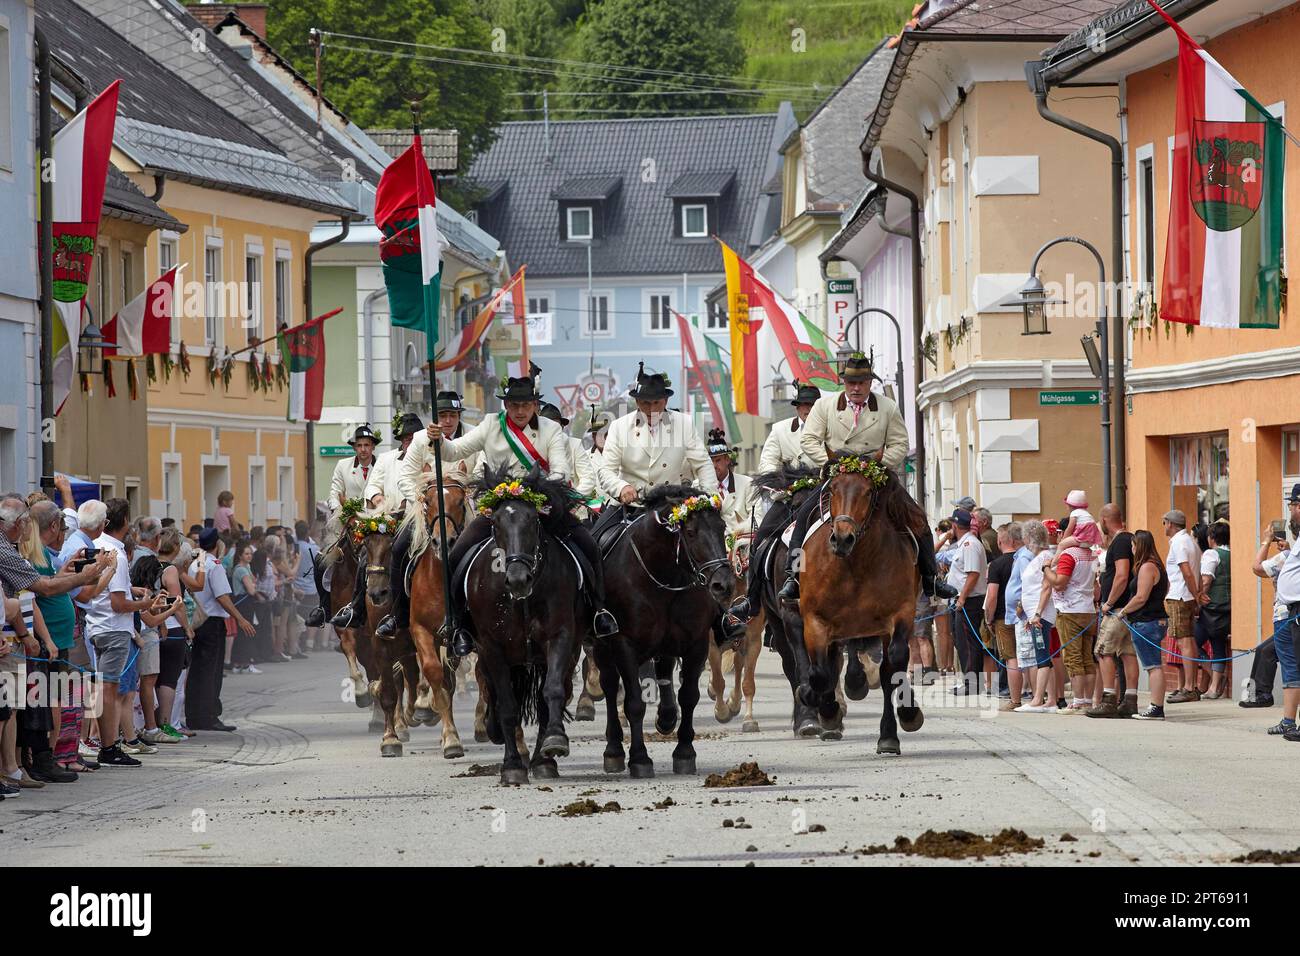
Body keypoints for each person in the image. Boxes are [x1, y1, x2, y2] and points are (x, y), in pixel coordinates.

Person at [379, 374, 617, 656]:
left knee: (588, 546)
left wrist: (538, 492)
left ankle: (598, 612)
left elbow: (561, 470)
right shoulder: (492, 424)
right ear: (506, 405)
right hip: (499, 509)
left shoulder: (551, 429)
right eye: (514, 405)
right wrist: (438, 442)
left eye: (525, 405)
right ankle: (460, 624)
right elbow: (456, 451)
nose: (519, 411)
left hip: (539, 504)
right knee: (455, 556)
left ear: (534, 406)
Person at [776, 354, 955, 605]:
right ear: (844, 384)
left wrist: (877, 465)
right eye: (851, 383)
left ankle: (930, 577)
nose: (856, 388)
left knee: (917, 517)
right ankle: (792, 575)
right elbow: (809, 440)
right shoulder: (825, 407)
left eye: (861, 382)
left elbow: (900, 444)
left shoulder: (887, 407)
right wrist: (832, 463)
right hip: (838, 478)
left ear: (870, 383)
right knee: (803, 518)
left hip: (877, 479)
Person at [366, 391, 478, 643]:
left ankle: (480, 615)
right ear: (436, 416)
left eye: (452, 415)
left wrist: (469, 493)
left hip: (463, 507)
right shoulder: (419, 438)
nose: (448, 420)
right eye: (443, 415)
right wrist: (419, 498)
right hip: (427, 508)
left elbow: (482, 468)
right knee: (399, 547)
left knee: (487, 548)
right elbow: (406, 475)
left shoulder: (474, 434)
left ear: (459, 415)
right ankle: (399, 614)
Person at [82, 499, 158, 766]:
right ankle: (110, 746)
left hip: (96, 624)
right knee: (110, 691)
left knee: (103, 688)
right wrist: (144, 604)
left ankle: (104, 743)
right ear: (124, 521)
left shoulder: (95, 545)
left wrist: (131, 592)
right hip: (114, 628)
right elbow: (118, 603)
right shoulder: (115, 551)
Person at [303, 425, 380, 628]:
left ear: (373, 447)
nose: (363, 449)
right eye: (359, 445)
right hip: (347, 522)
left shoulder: (381, 466)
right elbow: (334, 494)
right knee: (321, 562)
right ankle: (323, 607)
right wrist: (345, 514)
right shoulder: (343, 465)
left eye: (367, 445)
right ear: (354, 447)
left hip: (376, 522)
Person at [185, 528, 254, 732]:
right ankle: (209, 715)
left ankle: (194, 714)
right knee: (211, 671)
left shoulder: (195, 563)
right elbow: (222, 596)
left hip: (197, 620)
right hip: (212, 622)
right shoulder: (214, 565)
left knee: (197, 669)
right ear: (217, 545)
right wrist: (240, 618)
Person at [1042, 518, 1098, 713]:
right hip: (1088, 610)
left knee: (1073, 659)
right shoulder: (1092, 555)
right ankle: (1087, 701)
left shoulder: (1069, 555)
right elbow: (1096, 589)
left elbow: (1059, 583)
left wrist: (1046, 569)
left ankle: (1078, 701)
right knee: (1087, 658)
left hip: (1069, 611)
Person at [1089, 503, 1138, 718]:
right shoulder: (1130, 540)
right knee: (1127, 653)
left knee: (1103, 651)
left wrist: (1109, 602)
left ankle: (1108, 699)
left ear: (1104, 521)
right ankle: (1130, 700)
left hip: (1117, 608)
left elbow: (1121, 574)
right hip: (1129, 608)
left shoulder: (1119, 542)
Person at [1118, 530, 1170, 720]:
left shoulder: (1147, 567)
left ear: (1139, 546)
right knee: (1153, 664)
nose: (1131, 549)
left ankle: (1156, 707)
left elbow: (1141, 597)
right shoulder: (1157, 565)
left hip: (1147, 621)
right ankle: (1156, 706)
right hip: (1154, 620)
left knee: (1153, 666)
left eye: (1133, 545)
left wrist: (1123, 611)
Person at [1162, 509, 1203, 703]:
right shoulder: (1190, 541)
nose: (1164, 526)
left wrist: (1196, 594)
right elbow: (1197, 571)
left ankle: (1189, 687)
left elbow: (1186, 572)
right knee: (1189, 641)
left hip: (1179, 595)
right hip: (1186, 596)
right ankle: (1191, 685)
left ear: (1170, 523)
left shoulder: (1179, 542)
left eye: (1164, 523)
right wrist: (1197, 594)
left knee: (1184, 642)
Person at [1013, 520, 1054, 712]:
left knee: (1042, 654)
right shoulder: (1040, 557)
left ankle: (1038, 698)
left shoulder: (1044, 557)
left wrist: (1036, 614)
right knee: (1045, 654)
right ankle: (1051, 699)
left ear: (1029, 539)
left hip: (1041, 614)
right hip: (1035, 614)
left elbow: (1046, 587)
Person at [947, 508, 988, 694]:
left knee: (968, 643)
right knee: (962, 641)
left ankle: (973, 684)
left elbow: (973, 574)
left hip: (969, 600)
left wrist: (962, 598)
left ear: (955, 526)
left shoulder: (969, 545)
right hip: (965, 599)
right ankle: (969, 681)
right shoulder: (966, 543)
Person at [984, 524, 1021, 710]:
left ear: (1000, 542)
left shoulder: (996, 565)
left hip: (1003, 617)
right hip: (1023, 615)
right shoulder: (1024, 559)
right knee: (1026, 656)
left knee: (1010, 657)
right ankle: (1031, 692)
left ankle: (1014, 699)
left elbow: (991, 596)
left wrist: (988, 618)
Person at [1195, 521, 1231, 699]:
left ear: (1212, 538)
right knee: (1218, 646)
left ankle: (1216, 679)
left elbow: (1206, 580)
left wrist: (1199, 599)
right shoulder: (1232, 553)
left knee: (1193, 643)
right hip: (1227, 608)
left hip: (1211, 608)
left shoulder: (1211, 554)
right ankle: (1215, 687)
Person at [365, 412, 426, 514]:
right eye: (408, 439)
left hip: (422, 518)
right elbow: (372, 485)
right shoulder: (385, 459)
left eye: (416, 439)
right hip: (390, 520)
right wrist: (376, 496)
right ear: (401, 440)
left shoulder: (430, 460)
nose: (412, 443)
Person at [707, 429, 756, 548]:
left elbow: (755, 518)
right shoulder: (698, 487)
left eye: (718, 460)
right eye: (710, 461)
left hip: (742, 546)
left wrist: (738, 536)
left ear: (727, 460)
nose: (714, 466)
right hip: (712, 549)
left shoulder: (747, 483)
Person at [757, 381, 820, 473]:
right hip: (789, 484)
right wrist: (777, 478)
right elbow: (767, 461)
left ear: (820, 408)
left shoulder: (829, 428)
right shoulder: (780, 430)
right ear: (797, 407)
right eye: (805, 404)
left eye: (812, 404)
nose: (809, 408)